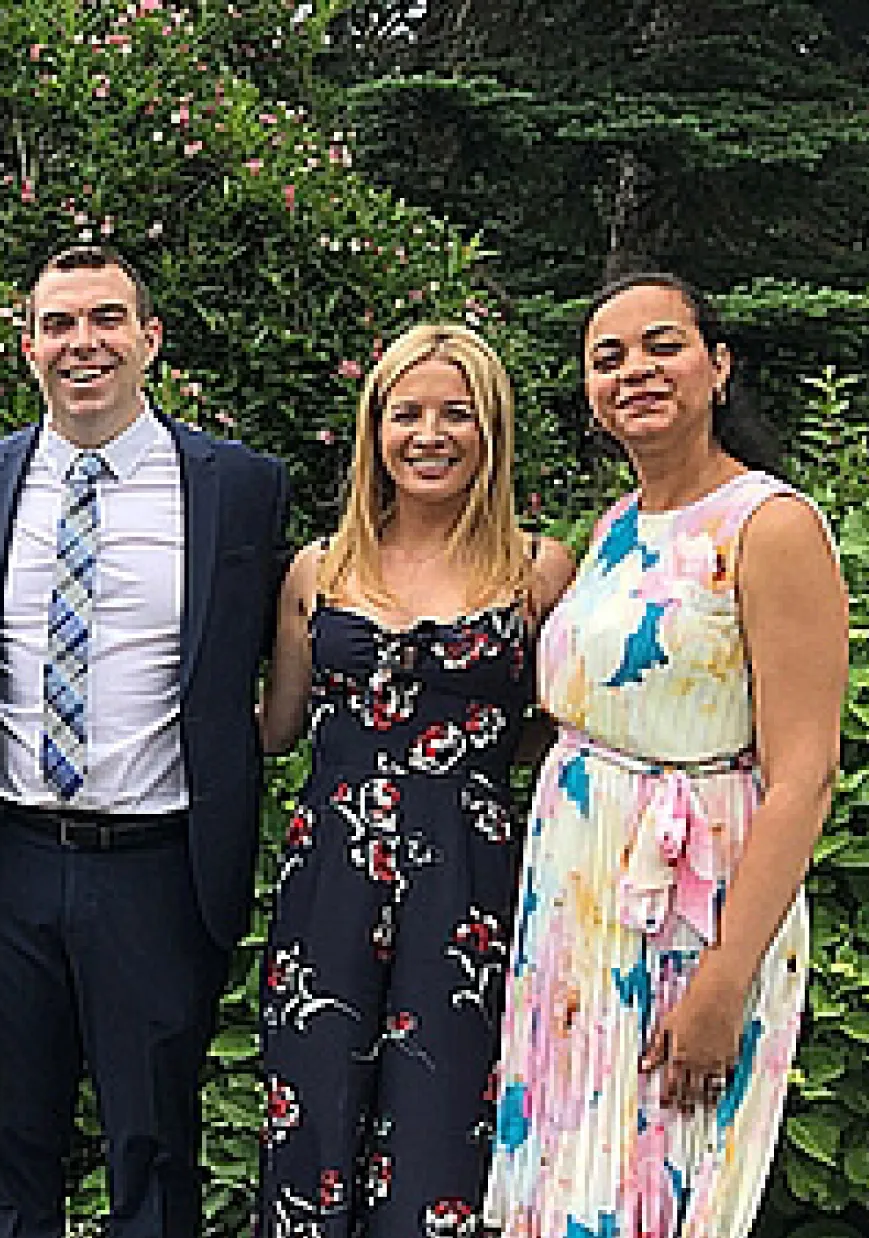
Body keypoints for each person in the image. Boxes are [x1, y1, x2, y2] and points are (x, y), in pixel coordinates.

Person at [0, 244, 292, 1238]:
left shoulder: (239, 489)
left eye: (104, 319)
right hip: (3, 859)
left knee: (153, 1151)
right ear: (26, 347)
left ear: (148, 338)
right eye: (57, 324)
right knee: (9, 1145)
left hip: (154, 867)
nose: (80, 343)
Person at [483, 274, 847, 1237]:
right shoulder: (612, 530)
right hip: (576, 902)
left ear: (718, 366)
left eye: (662, 346)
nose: (635, 371)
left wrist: (725, 982)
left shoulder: (769, 527)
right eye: (608, 359)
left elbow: (805, 775)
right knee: (569, 1177)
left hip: (692, 914)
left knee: (661, 1185)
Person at [251, 325, 574, 1238]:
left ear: (492, 431)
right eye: (408, 413)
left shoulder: (539, 572)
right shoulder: (318, 570)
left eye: (456, 414)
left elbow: (561, 739)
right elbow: (276, 729)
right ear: (375, 430)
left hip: (469, 884)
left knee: (446, 1136)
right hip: (329, 887)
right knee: (312, 1125)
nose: (430, 435)